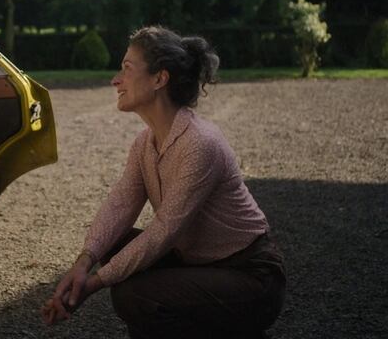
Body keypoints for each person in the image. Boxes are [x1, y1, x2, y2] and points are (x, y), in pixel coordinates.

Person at [41, 26, 285, 338]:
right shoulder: (146, 142)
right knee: (115, 245)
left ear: (160, 78)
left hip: (250, 277)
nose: (115, 80)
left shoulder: (200, 143)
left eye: (127, 69)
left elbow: (163, 232)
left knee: (133, 296)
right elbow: (120, 204)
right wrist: (82, 264)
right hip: (197, 266)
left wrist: (93, 284)